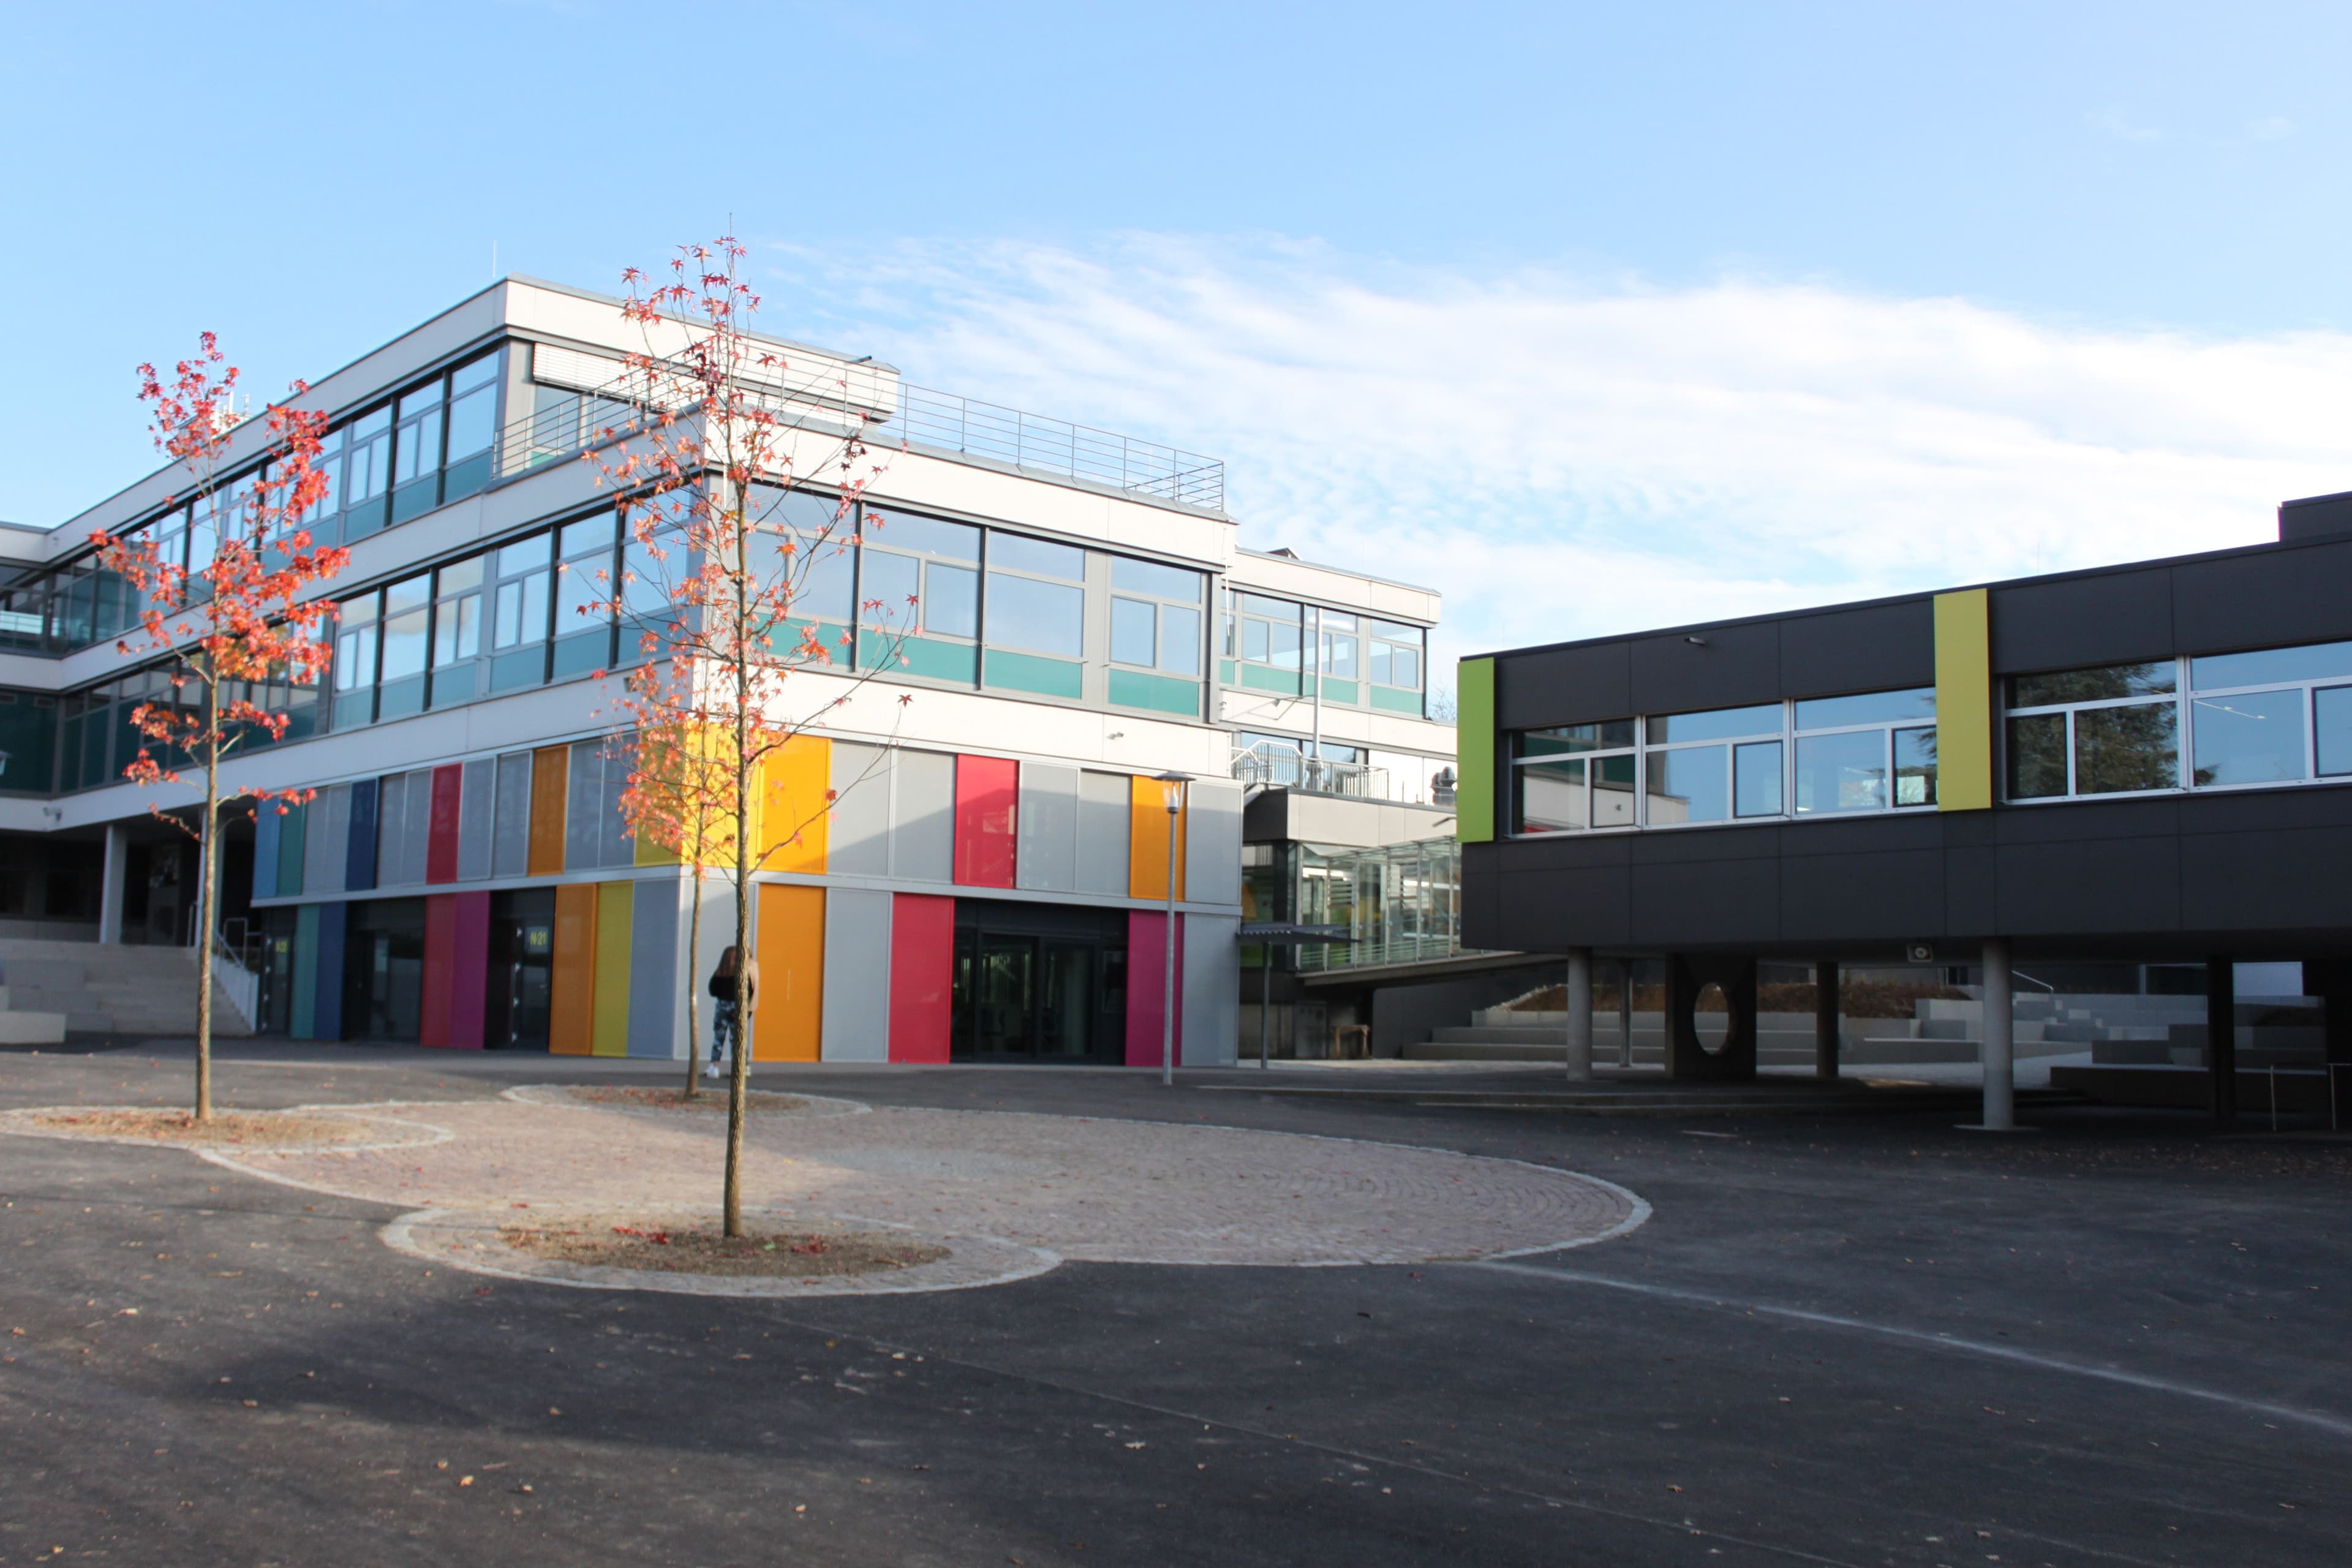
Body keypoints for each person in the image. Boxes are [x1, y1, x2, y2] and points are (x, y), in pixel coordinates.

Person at [706, 946, 758, 1080]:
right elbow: (750, 990)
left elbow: (712, 990)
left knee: (719, 1038)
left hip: (722, 1007)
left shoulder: (720, 973)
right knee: (738, 1039)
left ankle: (714, 1067)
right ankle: (741, 1068)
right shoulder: (742, 974)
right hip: (738, 1007)